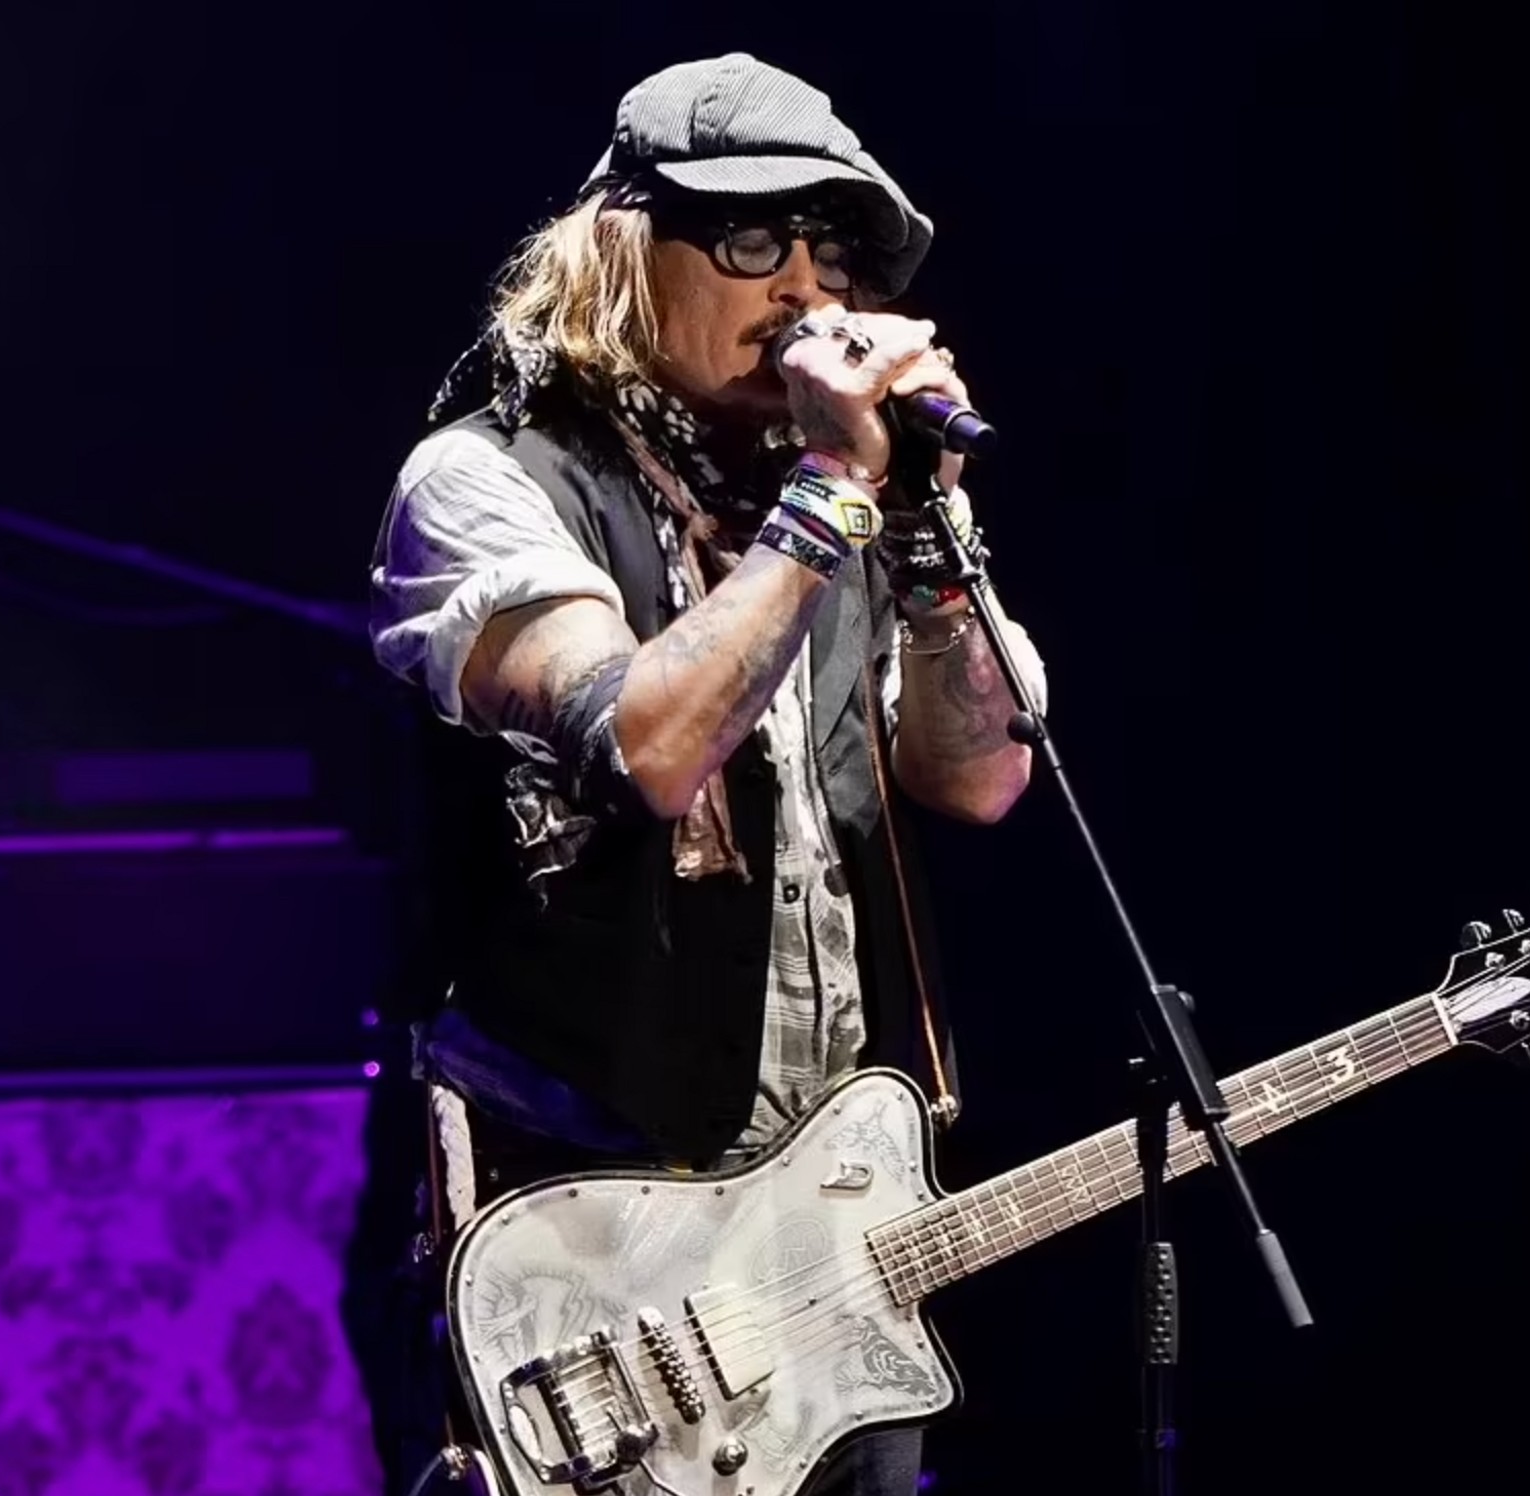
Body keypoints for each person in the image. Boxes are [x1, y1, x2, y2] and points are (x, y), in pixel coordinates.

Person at [350, 51, 1048, 1496]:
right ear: (621, 249)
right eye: (749, 240)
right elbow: (649, 746)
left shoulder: (844, 507)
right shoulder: (488, 480)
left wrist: (928, 540)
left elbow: (980, 778)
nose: (802, 289)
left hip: (825, 1257)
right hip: (574, 1277)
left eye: (831, 250)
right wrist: (831, 496)